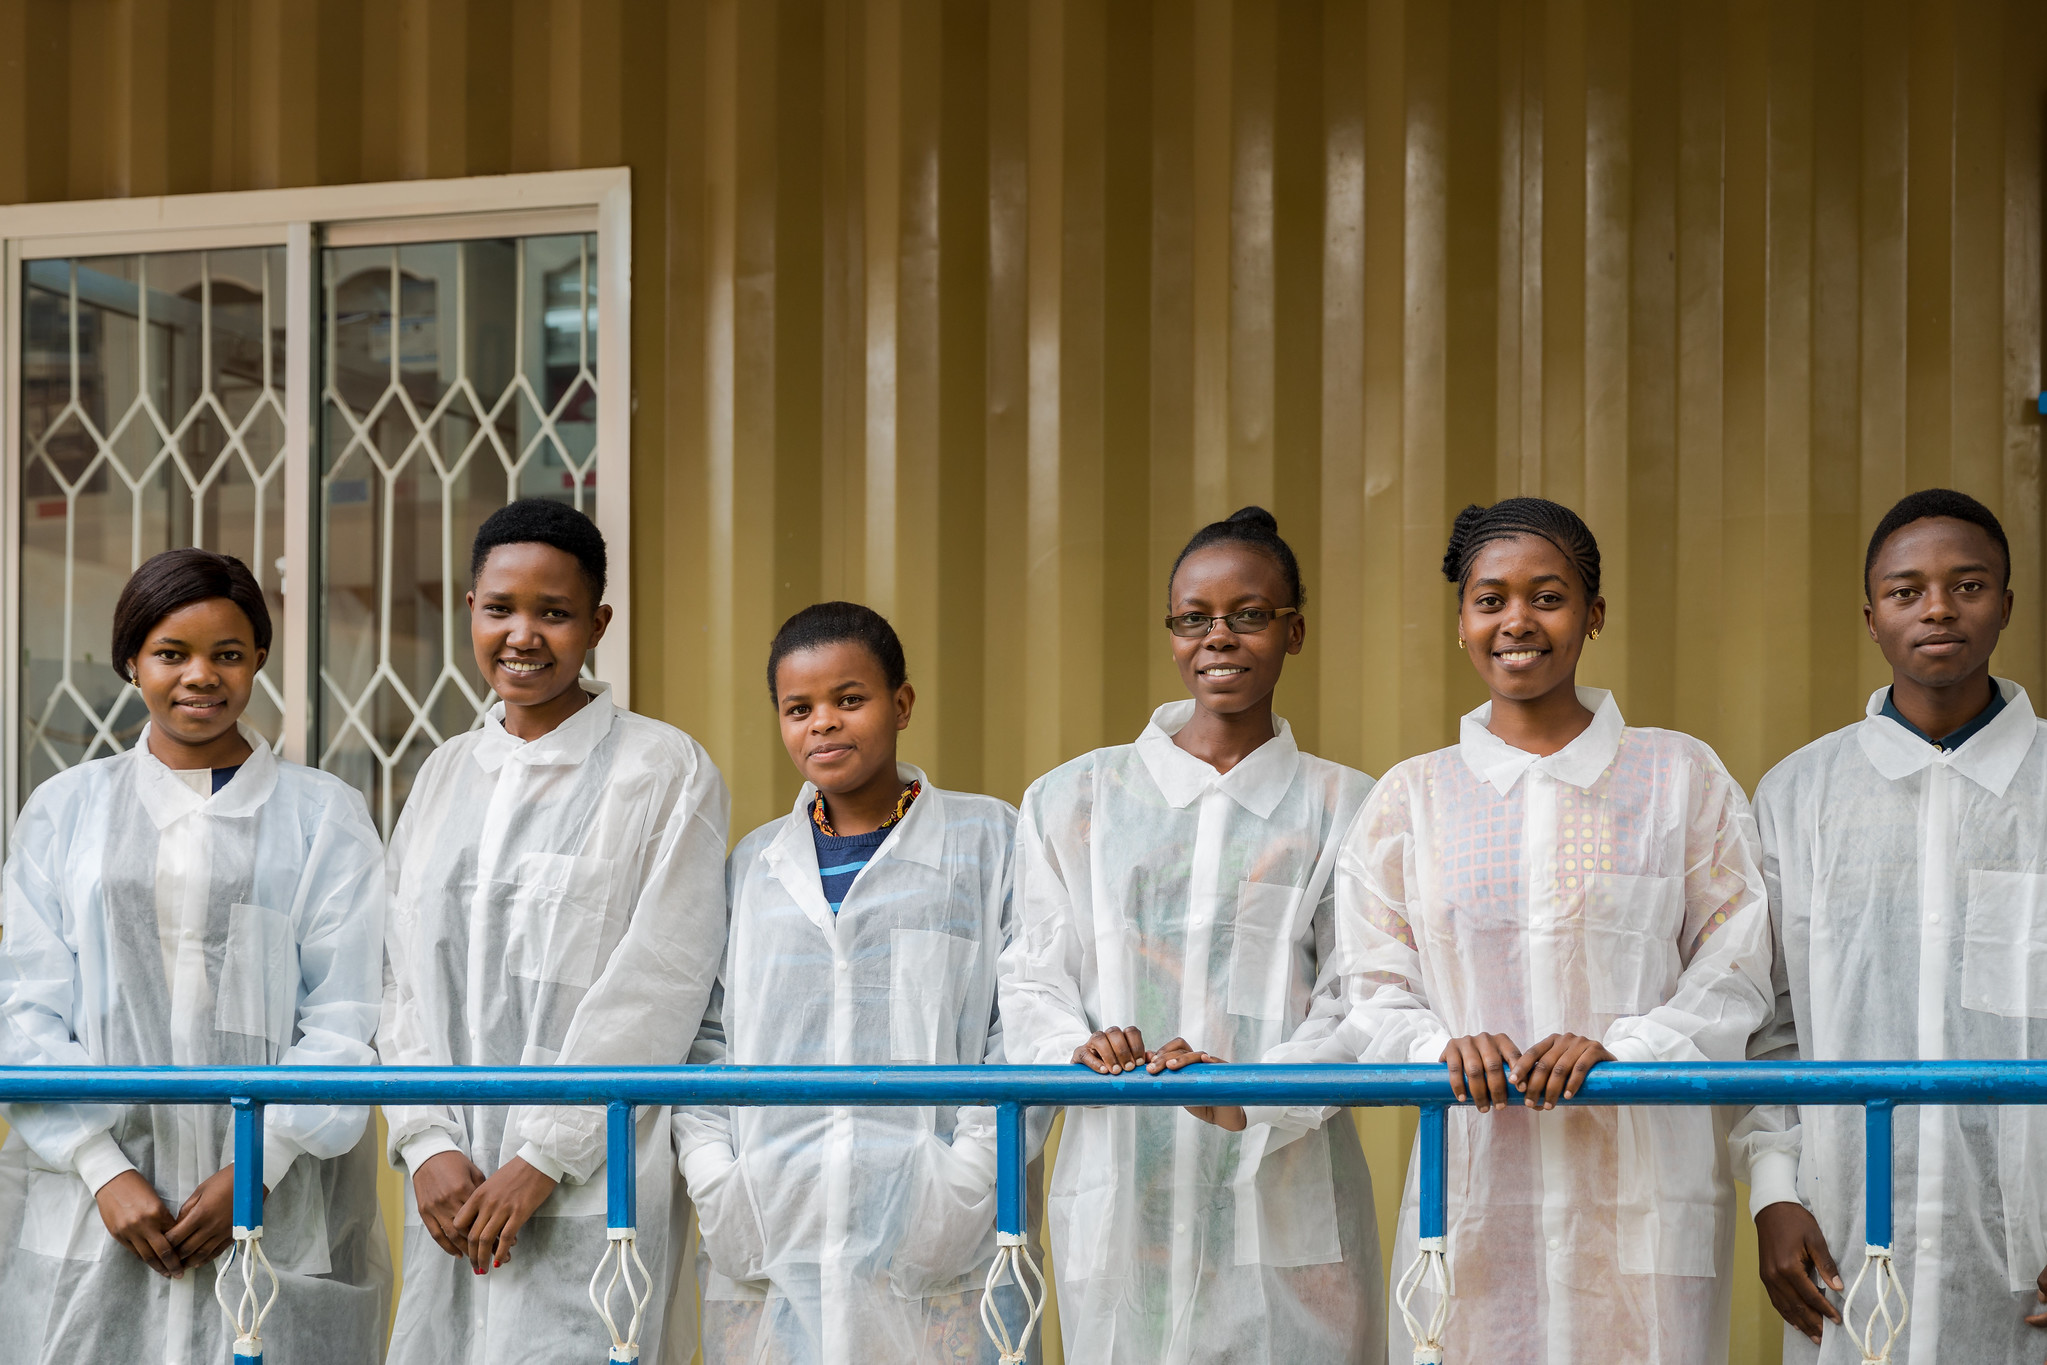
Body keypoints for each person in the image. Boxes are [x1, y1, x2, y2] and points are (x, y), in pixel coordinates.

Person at [1335, 497, 1774, 1364]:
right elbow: (1372, 987)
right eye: (1488, 598)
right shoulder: (1410, 800)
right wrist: (1439, 1048)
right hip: (1473, 1188)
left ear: (1593, 614)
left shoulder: (1678, 776)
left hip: (1642, 1188)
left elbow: (1735, 963)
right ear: (1460, 622)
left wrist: (1630, 1047)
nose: (1516, 621)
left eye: (1547, 595)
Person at [998, 506, 1384, 1365]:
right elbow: (1031, 976)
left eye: (1249, 615)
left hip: (1285, 1186)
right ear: (1171, 631)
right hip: (1122, 1184)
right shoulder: (1074, 800)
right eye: (1193, 618)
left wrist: (1252, 1089)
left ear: (1294, 630)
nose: (1219, 637)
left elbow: (1361, 997)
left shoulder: (1346, 807)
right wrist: (1078, 1047)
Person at [0, 548, 389, 1365]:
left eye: (229, 654)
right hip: (90, 1210)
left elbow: (347, 1011)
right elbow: (26, 1008)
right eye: (172, 653)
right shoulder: (66, 811)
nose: (200, 676)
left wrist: (259, 1162)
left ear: (258, 663)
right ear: (131, 661)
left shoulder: (323, 816)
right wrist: (103, 1168)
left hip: (275, 1208)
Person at [379, 499, 730, 1365]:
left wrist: (543, 1152)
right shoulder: (444, 775)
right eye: (500, 608)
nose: (523, 634)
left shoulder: (663, 770)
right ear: (469, 610)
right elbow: (398, 975)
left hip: (591, 1183)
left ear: (598, 623)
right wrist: (426, 1141)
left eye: (555, 611)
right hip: (452, 1188)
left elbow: (662, 981)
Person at [1732, 488, 2047, 1363]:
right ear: (1870, 617)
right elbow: (1767, 1020)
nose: (1937, 607)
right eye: (1906, 590)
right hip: (1841, 1232)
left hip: (2029, 1256)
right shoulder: (1798, 795)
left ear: (2007, 605)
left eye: (1968, 584)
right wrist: (1771, 1191)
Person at [679, 601, 1033, 1363]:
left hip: (942, 1241)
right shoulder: (753, 865)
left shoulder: (987, 842)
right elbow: (706, 1037)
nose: (823, 725)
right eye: (798, 708)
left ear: (900, 704)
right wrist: (718, 1178)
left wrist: (963, 1178)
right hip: (777, 1229)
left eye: (849, 699)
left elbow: (1020, 1029)